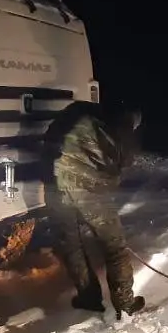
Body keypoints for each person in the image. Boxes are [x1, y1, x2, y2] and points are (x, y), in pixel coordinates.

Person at [42, 99, 146, 320]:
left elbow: (51, 137)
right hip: (90, 190)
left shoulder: (79, 109)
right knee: (114, 246)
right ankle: (125, 303)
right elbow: (122, 166)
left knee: (71, 244)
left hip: (54, 184)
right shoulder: (124, 130)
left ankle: (89, 298)